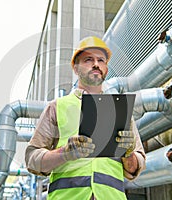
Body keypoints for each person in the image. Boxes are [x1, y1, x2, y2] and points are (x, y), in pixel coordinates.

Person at [25, 36, 146, 200]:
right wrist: (64, 153)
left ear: (106, 70)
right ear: (76, 68)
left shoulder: (120, 111)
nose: (96, 64)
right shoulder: (57, 107)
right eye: (88, 59)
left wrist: (129, 153)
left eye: (101, 60)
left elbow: (135, 168)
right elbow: (32, 161)